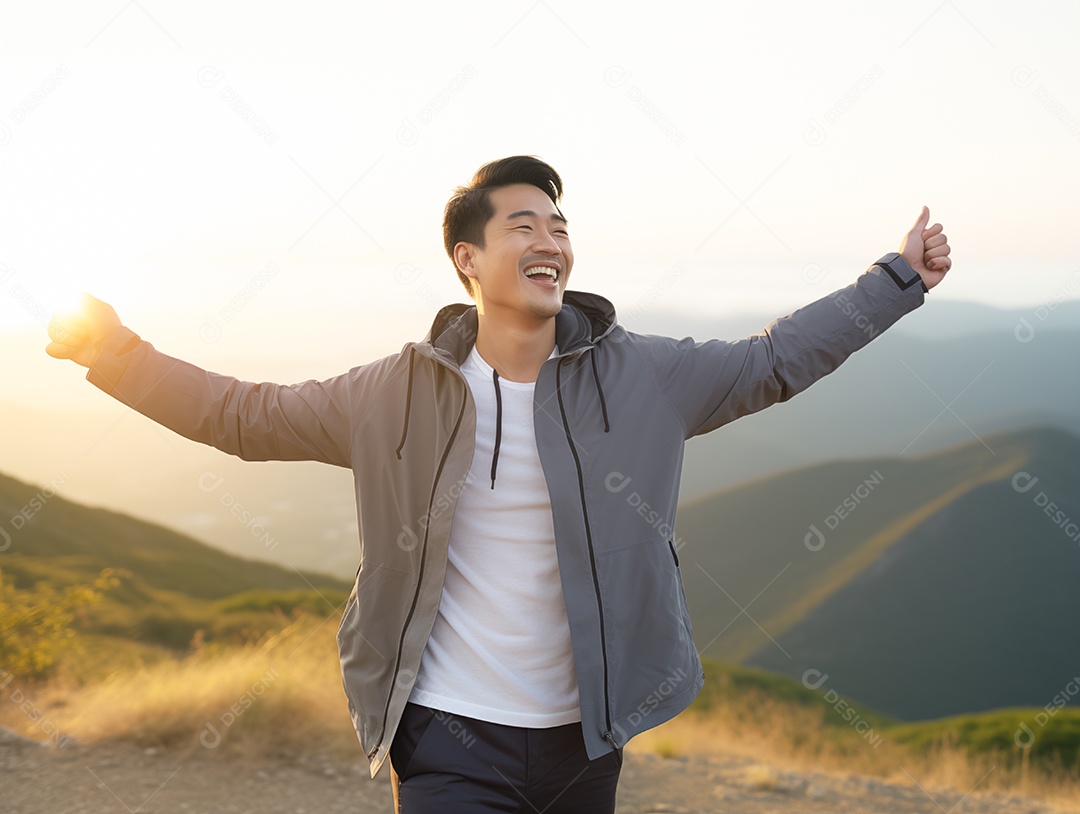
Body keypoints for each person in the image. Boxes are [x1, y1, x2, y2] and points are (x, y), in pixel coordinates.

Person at [47, 155, 951, 813]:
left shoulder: (640, 376)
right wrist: (114, 355)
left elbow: (776, 359)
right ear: (467, 260)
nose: (550, 239)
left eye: (559, 227)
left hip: (585, 741)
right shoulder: (392, 391)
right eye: (524, 225)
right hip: (446, 737)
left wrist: (897, 277)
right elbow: (243, 416)